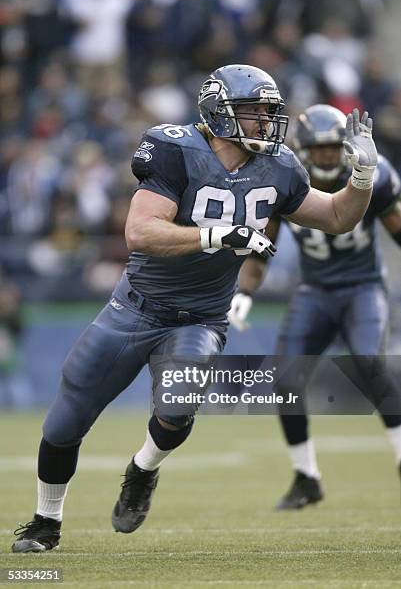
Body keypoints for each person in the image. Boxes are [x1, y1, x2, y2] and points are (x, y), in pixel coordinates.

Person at [12, 67, 377, 552]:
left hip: (201, 318)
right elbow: (140, 232)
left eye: (270, 112)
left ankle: (141, 470)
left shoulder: (280, 167)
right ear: (218, 112)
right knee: (65, 423)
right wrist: (217, 234)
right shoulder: (176, 149)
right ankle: (45, 521)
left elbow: (335, 216)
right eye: (255, 112)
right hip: (134, 311)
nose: (266, 122)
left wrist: (362, 177)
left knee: (178, 409)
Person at [228, 103, 401, 510]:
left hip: (362, 286)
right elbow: (260, 247)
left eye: (331, 148)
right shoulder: (285, 178)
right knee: (284, 380)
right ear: (302, 150)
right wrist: (244, 293)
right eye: (318, 149)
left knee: (368, 362)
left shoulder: (373, 173)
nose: (325, 156)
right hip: (315, 290)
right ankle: (306, 477)